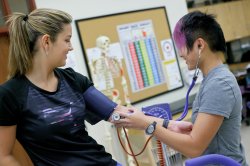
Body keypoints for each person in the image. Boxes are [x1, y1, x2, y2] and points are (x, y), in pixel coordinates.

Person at [114, 11, 248, 165]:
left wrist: (146, 124)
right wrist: (144, 119)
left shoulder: (220, 84)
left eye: (181, 46)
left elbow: (194, 147)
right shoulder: (212, 79)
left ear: (199, 45)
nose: (179, 54)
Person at [0, 8, 130, 166]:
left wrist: (161, 124)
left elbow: (117, 112)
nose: (71, 47)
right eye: (67, 40)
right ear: (46, 41)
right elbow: (3, 156)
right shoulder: (10, 94)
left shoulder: (73, 79)